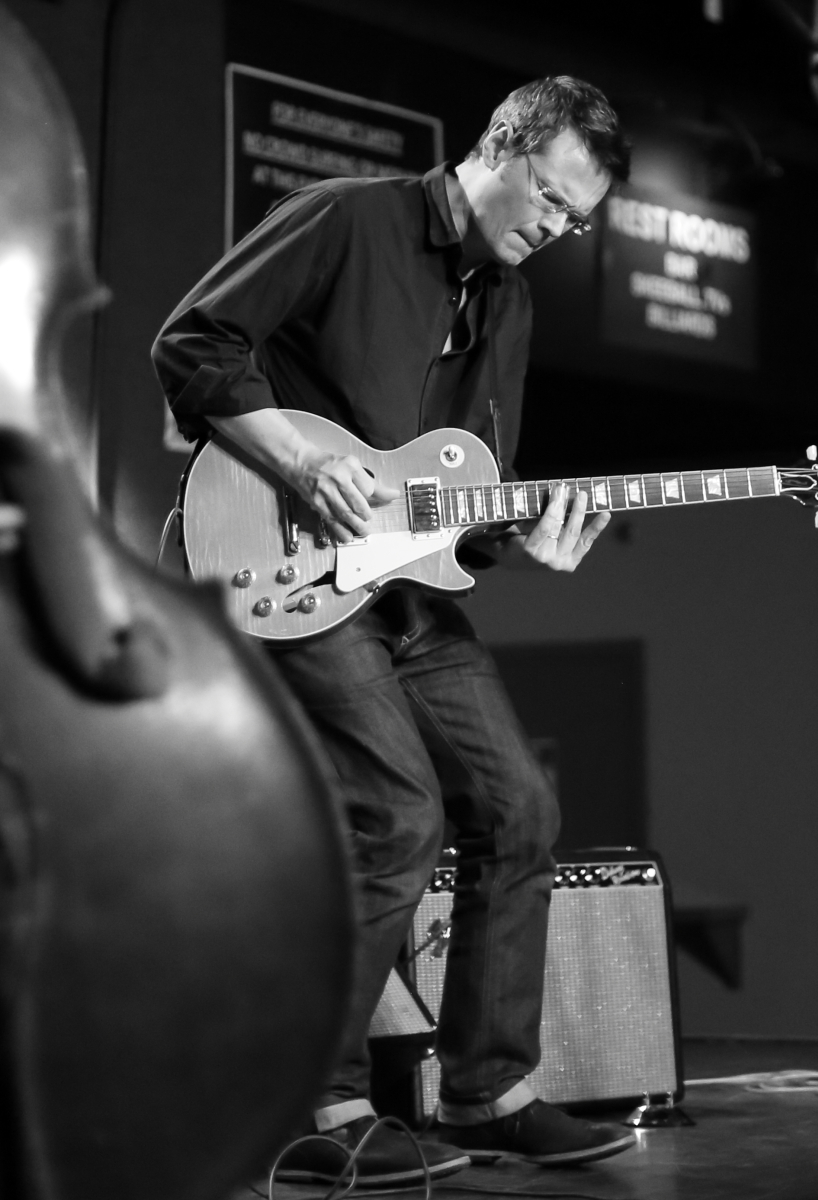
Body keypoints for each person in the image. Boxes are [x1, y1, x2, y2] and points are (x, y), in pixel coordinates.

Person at [153, 76, 635, 1188]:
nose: (555, 230)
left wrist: (531, 534)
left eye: (575, 222)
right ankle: (300, 1106)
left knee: (521, 806)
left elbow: (464, 498)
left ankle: (489, 1091)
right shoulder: (348, 217)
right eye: (550, 199)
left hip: (406, 595)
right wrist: (301, 462)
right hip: (282, 559)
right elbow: (192, 341)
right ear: (501, 145)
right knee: (397, 814)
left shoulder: (508, 306)